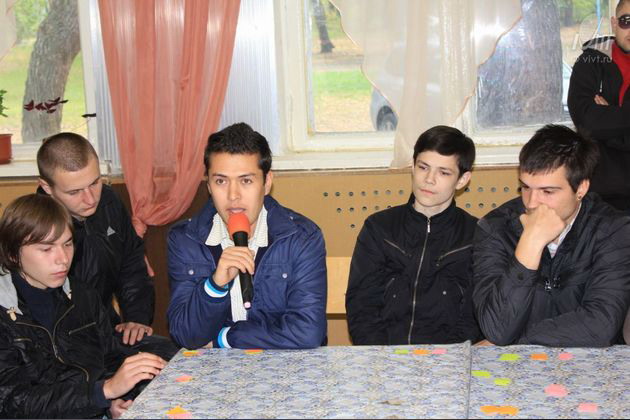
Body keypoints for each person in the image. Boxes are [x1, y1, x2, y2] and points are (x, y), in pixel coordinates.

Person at [0, 194, 166, 419]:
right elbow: (13, 402)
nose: (62, 259)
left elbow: (108, 359)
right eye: (46, 249)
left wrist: (113, 402)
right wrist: (103, 392)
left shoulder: (83, 295)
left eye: (67, 244)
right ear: (13, 254)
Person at [167, 122, 327, 349]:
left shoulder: (301, 237)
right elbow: (186, 336)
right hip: (214, 369)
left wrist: (225, 338)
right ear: (209, 185)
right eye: (221, 181)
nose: (233, 195)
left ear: (266, 183)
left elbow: (307, 332)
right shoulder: (185, 239)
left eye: (246, 181)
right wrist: (215, 286)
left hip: (285, 366)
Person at [473, 124, 630, 347]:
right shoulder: (495, 228)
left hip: (588, 361)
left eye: (547, 191)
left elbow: (600, 326)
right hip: (517, 363)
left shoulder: (613, 230)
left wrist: (521, 339)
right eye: (525, 187)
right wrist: (529, 245)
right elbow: (497, 328)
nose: (531, 202)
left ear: (581, 188)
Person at [37, 132, 178, 358]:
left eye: (95, 183)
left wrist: (136, 318)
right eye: (74, 192)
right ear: (46, 187)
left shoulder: (109, 202)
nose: (90, 198)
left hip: (107, 331)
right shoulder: (34, 230)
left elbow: (131, 262)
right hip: (60, 346)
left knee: (172, 358)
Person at [346, 125, 482, 345]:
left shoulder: (476, 236)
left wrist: (447, 357)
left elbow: (473, 316)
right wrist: (382, 355)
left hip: (449, 357)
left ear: (462, 180)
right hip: (384, 355)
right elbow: (362, 306)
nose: (429, 179)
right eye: (423, 167)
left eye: (444, 172)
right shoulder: (379, 228)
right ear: (413, 166)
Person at [568, 0, 630, 211]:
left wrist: (607, 117)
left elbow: (596, 124)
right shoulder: (590, 63)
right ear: (614, 23)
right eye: (626, 21)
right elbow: (587, 123)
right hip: (597, 194)